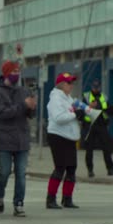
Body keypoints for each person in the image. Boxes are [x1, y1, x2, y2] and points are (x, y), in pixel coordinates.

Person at [0, 60, 36, 217]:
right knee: (4, 171)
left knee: (21, 173)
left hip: (22, 139)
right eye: (14, 71)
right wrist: (23, 106)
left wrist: (31, 107)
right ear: (6, 73)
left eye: (19, 71)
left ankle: (18, 203)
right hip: (5, 139)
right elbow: (2, 114)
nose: (17, 74)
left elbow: (28, 114)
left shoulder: (23, 91)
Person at [45, 73, 84, 209]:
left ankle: (67, 199)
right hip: (58, 136)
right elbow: (58, 117)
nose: (71, 85)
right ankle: (50, 199)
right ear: (61, 84)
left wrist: (82, 113)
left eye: (72, 83)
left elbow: (73, 111)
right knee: (60, 168)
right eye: (68, 83)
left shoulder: (68, 98)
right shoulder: (56, 98)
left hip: (69, 136)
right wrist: (75, 115)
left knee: (72, 168)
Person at [82, 79, 113, 177]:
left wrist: (106, 109)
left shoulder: (104, 97)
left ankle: (110, 169)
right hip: (90, 125)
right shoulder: (86, 96)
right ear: (91, 87)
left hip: (102, 124)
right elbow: (81, 110)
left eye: (97, 87)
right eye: (94, 87)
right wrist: (89, 106)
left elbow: (109, 109)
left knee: (107, 147)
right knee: (89, 149)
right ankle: (90, 170)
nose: (96, 89)